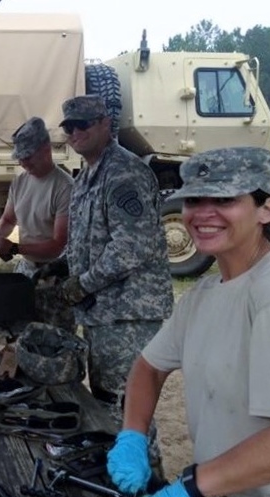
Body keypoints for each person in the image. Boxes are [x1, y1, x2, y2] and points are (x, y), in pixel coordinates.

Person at [107, 147, 270, 497]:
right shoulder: (204, 293)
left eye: (224, 198)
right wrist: (133, 437)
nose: (202, 213)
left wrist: (191, 488)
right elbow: (149, 368)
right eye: (193, 199)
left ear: (267, 208)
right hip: (221, 491)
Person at [58, 95, 173, 439]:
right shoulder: (86, 177)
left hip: (129, 314)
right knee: (107, 403)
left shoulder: (124, 174)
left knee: (128, 409)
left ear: (106, 125)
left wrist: (82, 284)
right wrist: (60, 268)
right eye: (69, 126)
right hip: (102, 313)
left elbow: (131, 246)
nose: (75, 132)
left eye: (83, 124)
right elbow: (85, 242)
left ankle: (147, 484)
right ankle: (119, 485)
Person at [0, 117, 74, 328]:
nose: (23, 163)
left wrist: (14, 247)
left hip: (54, 277)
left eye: (28, 156)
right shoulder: (20, 182)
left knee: (54, 339)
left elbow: (59, 243)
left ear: (46, 149)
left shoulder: (64, 187)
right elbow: (9, 219)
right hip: (26, 272)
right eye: (19, 158)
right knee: (19, 333)